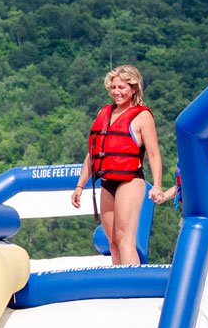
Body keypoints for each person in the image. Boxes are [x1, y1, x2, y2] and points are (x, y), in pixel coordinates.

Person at [71, 65, 169, 266]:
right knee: (113, 242)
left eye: (122, 87)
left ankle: (134, 287)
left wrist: (157, 185)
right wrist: (80, 185)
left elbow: (153, 153)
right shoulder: (104, 113)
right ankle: (118, 289)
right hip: (107, 182)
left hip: (130, 181)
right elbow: (93, 153)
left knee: (125, 239)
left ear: (134, 88)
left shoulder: (142, 116)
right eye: (113, 87)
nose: (116, 92)